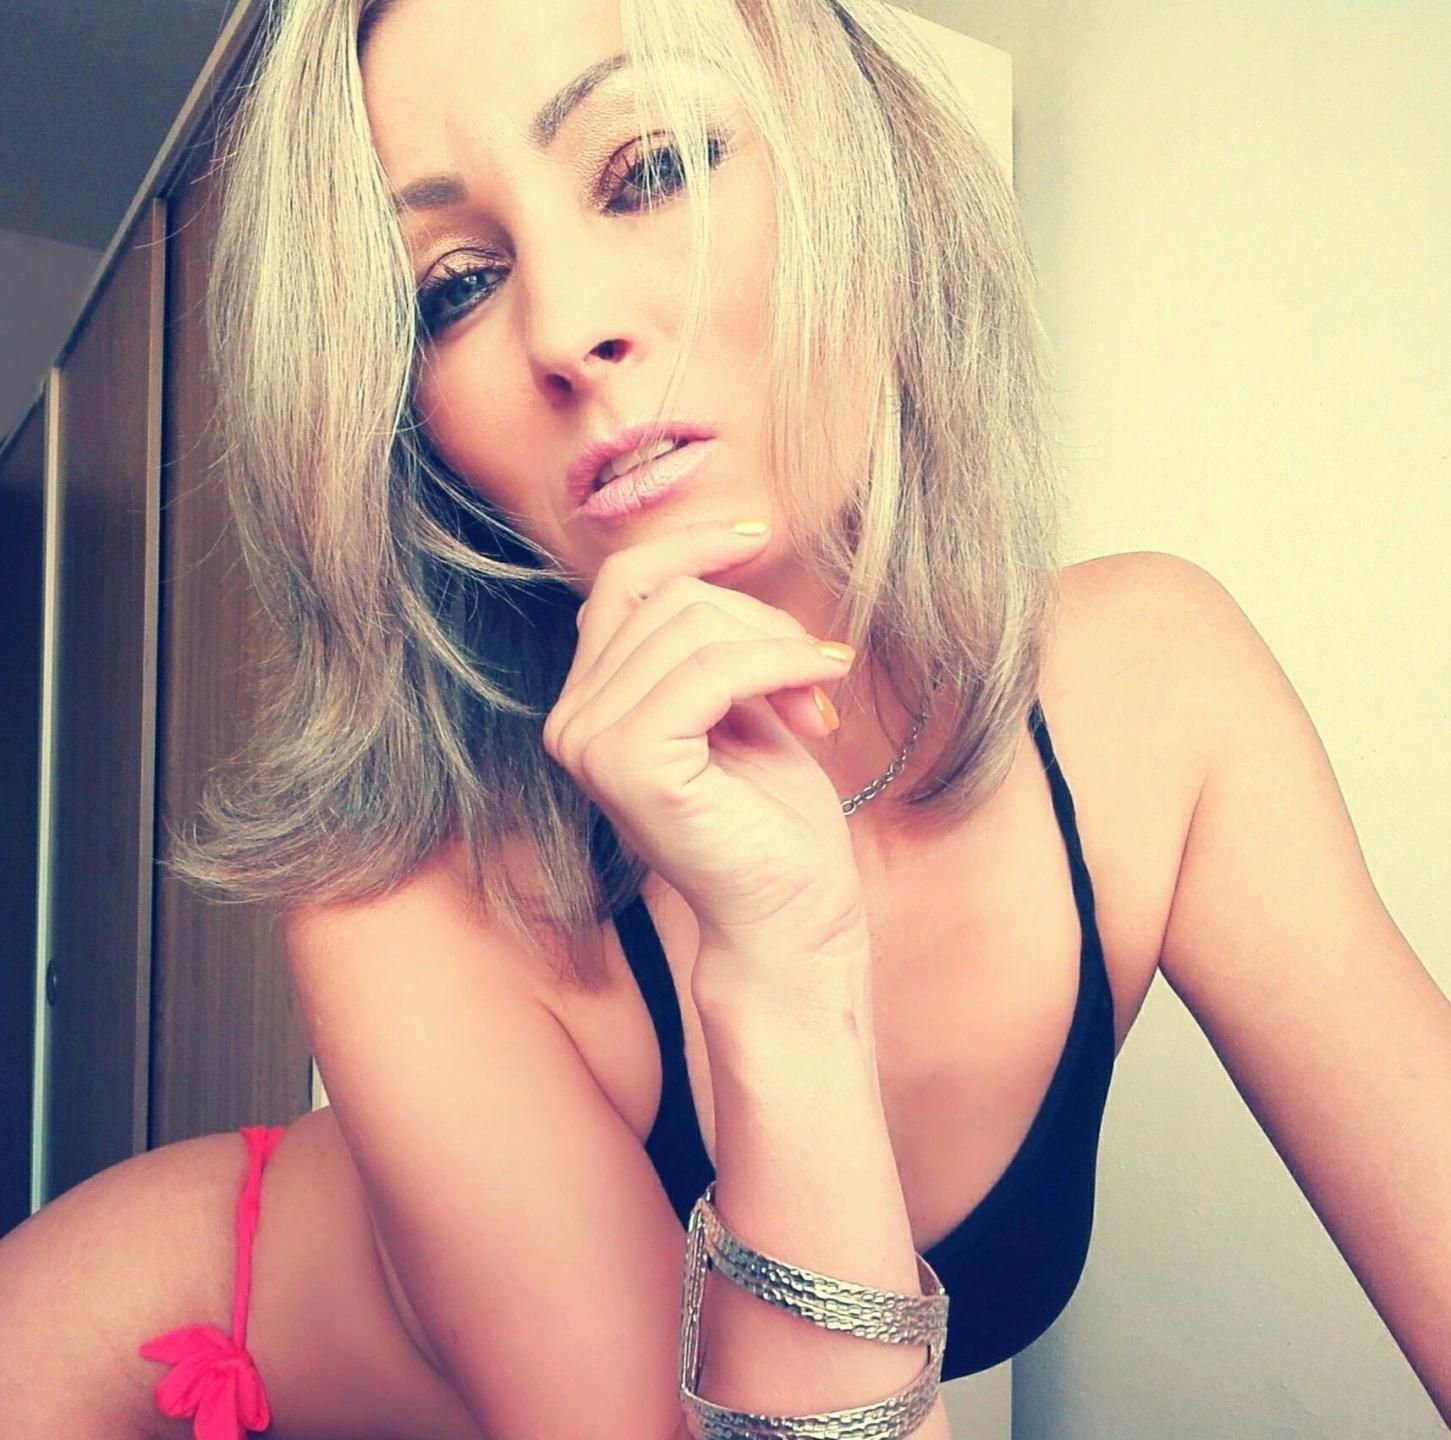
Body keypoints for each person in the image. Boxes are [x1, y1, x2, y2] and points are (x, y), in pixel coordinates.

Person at [2, 0, 1447, 1436]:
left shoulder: (1157, 692)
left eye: (647, 170)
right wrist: (784, 975)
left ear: (861, 176)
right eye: (453, 287)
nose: (565, 330)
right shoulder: (404, 900)